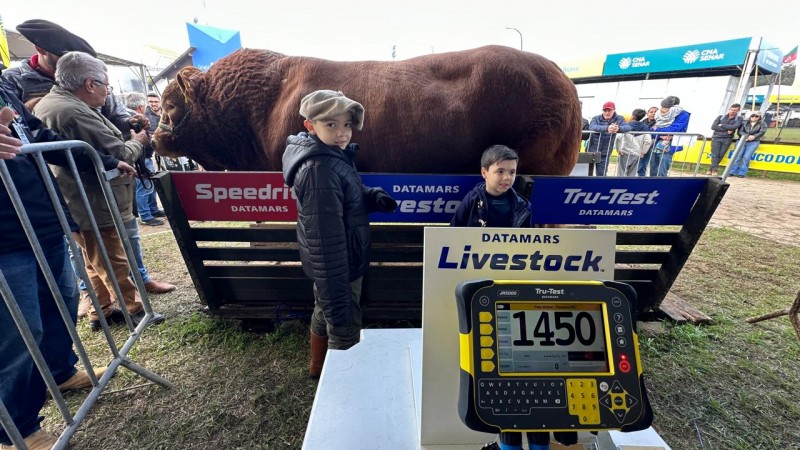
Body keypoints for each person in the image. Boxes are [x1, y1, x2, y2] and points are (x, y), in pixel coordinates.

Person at [0, 71, 136, 449]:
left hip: (41, 221)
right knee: (18, 332)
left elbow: (36, 136)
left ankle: (59, 371)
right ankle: (16, 431)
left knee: (60, 305)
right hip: (5, 241)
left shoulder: (4, 85)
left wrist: (102, 157)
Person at [33, 51, 165, 332]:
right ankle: (135, 310)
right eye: (107, 85)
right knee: (111, 258)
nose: (108, 92)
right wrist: (138, 141)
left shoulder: (57, 104)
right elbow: (117, 153)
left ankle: (101, 310)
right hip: (93, 199)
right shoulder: (70, 110)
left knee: (93, 259)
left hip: (78, 198)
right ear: (90, 84)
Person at [281, 90, 397, 377]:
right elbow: (325, 242)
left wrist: (370, 197)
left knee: (322, 312)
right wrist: (338, 294)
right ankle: (345, 384)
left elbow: (342, 201)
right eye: (331, 125)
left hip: (338, 262)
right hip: (338, 268)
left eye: (346, 124)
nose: (342, 133)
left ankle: (318, 369)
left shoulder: (329, 155)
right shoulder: (319, 168)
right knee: (343, 324)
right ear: (310, 125)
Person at [1, 19, 147, 134]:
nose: (72, 64)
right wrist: (26, 110)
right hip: (50, 162)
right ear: (40, 49)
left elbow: (115, 114)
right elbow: (9, 124)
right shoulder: (12, 79)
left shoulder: (88, 75)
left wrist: (130, 122)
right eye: (63, 57)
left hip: (98, 153)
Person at [450, 145, 531, 227]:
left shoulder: (522, 206)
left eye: (512, 172)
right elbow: (454, 232)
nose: (507, 177)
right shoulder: (472, 200)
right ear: (484, 173)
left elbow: (526, 238)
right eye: (500, 171)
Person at [125, 92, 166, 226]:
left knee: (151, 185)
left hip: (147, 156)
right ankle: (145, 216)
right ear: (142, 106)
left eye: (156, 101)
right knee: (143, 188)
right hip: (139, 158)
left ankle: (153, 210)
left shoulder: (138, 117)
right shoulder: (133, 118)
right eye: (150, 102)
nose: (153, 104)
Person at [649, 96, 691, 177]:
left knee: (662, 171)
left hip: (669, 146)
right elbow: (651, 130)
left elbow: (674, 129)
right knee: (653, 170)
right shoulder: (661, 114)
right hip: (656, 145)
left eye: (666, 107)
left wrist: (658, 131)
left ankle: (661, 188)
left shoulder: (683, 115)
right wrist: (661, 135)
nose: (663, 109)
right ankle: (651, 188)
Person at [586, 101, 631, 176]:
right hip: (592, 150)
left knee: (601, 174)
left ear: (614, 110)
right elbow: (592, 127)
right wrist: (607, 128)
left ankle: (600, 187)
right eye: (605, 110)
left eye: (609, 110)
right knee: (587, 173)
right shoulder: (596, 118)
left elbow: (628, 127)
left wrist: (618, 129)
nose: (607, 113)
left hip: (605, 152)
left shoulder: (619, 118)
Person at [614, 109, 653, 177]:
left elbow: (618, 137)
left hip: (624, 152)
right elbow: (648, 141)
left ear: (632, 116)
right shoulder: (645, 127)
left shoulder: (626, 125)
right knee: (632, 173)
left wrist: (618, 149)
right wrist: (643, 152)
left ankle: (619, 185)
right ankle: (629, 186)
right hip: (636, 153)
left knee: (621, 172)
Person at [729, 112, 767, 178]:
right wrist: (747, 136)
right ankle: (731, 171)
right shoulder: (744, 123)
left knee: (746, 157)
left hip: (754, 141)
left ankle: (742, 173)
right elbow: (740, 131)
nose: (754, 117)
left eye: (756, 116)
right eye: (752, 116)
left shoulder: (763, 124)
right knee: (737, 156)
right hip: (742, 140)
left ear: (759, 117)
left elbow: (762, 132)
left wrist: (754, 136)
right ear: (750, 116)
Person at [708, 104, 743, 176]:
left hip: (727, 139)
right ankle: (714, 170)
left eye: (735, 110)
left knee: (721, 154)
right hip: (716, 137)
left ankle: (710, 169)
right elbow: (713, 127)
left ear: (738, 110)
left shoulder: (739, 118)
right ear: (729, 109)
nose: (733, 111)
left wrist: (722, 125)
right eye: (732, 110)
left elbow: (735, 127)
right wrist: (727, 130)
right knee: (715, 154)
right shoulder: (720, 117)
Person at [637, 106, 658, 176]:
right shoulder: (642, 123)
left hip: (654, 146)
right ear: (647, 113)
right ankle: (641, 180)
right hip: (643, 146)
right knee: (641, 165)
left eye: (655, 112)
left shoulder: (660, 123)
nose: (653, 114)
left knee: (654, 167)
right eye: (651, 112)